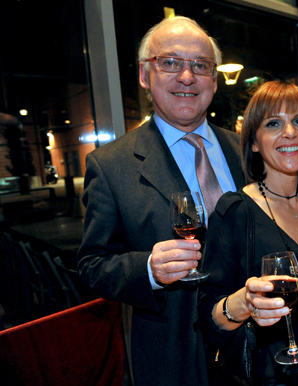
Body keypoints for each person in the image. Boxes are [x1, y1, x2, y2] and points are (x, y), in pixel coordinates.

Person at [77, 16, 245, 386]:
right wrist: (149, 269)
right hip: (175, 355)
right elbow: (92, 266)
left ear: (213, 80)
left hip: (254, 342)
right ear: (144, 75)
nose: (187, 77)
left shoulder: (246, 149)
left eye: (200, 66)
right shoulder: (110, 165)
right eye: (170, 62)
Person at [198, 80, 298, 385]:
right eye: (274, 123)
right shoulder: (235, 212)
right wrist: (242, 304)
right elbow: (207, 316)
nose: (290, 132)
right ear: (254, 142)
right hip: (271, 378)